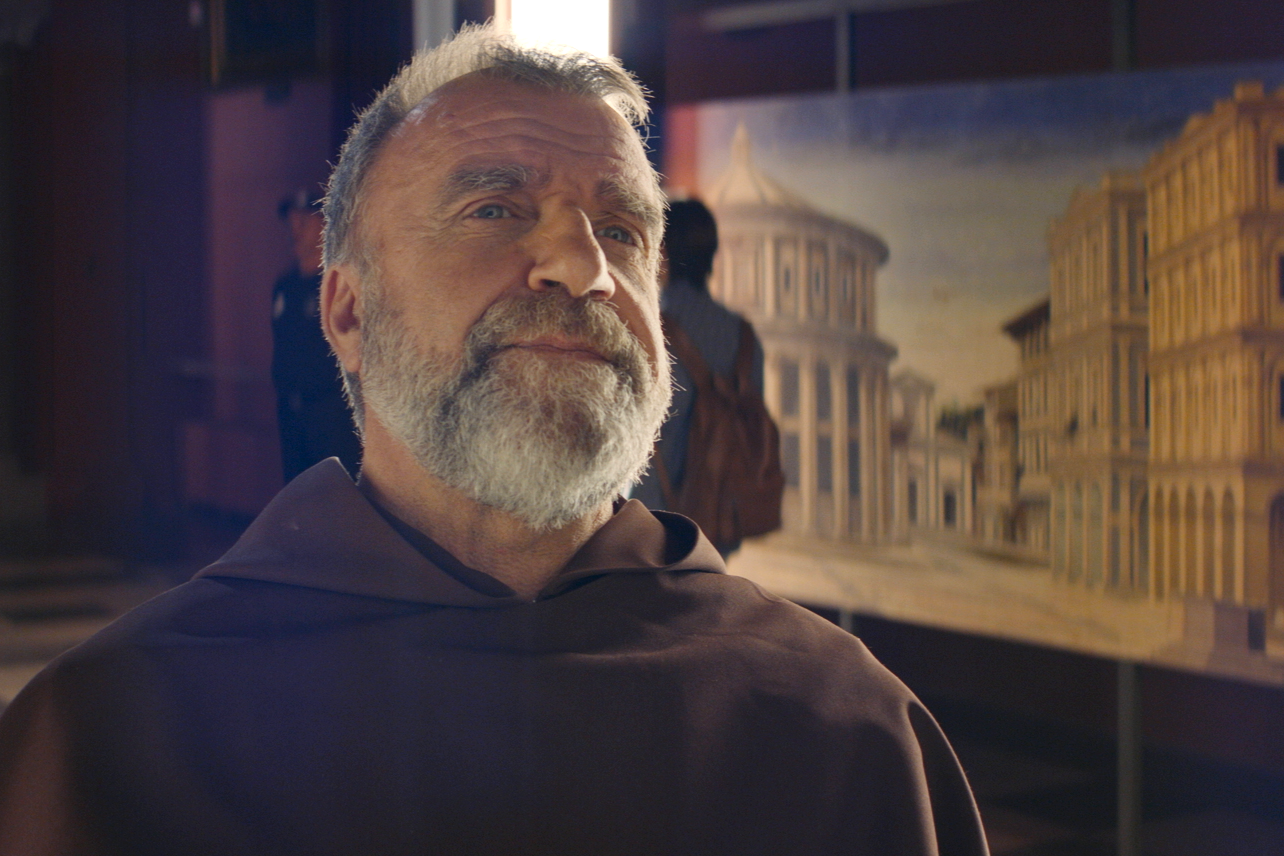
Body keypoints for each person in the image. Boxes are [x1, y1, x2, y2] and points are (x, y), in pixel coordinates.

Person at [0, 25, 989, 856]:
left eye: (622, 229)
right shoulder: (119, 734)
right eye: (495, 209)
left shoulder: (843, 726)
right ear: (346, 313)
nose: (582, 267)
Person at [631, 198, 770, 555]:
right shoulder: (744, 336)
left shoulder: (648, 325)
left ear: (661, 250)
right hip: (722, 518)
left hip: (651, 515)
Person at [271, 190, 361, 480]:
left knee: (336, 488)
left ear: (324, 225)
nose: (295, 231)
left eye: (303, 222)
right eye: (291, 222)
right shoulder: (285, 287)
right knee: (297, 487)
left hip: (331, 411)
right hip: (292, 412)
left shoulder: (339, 287)